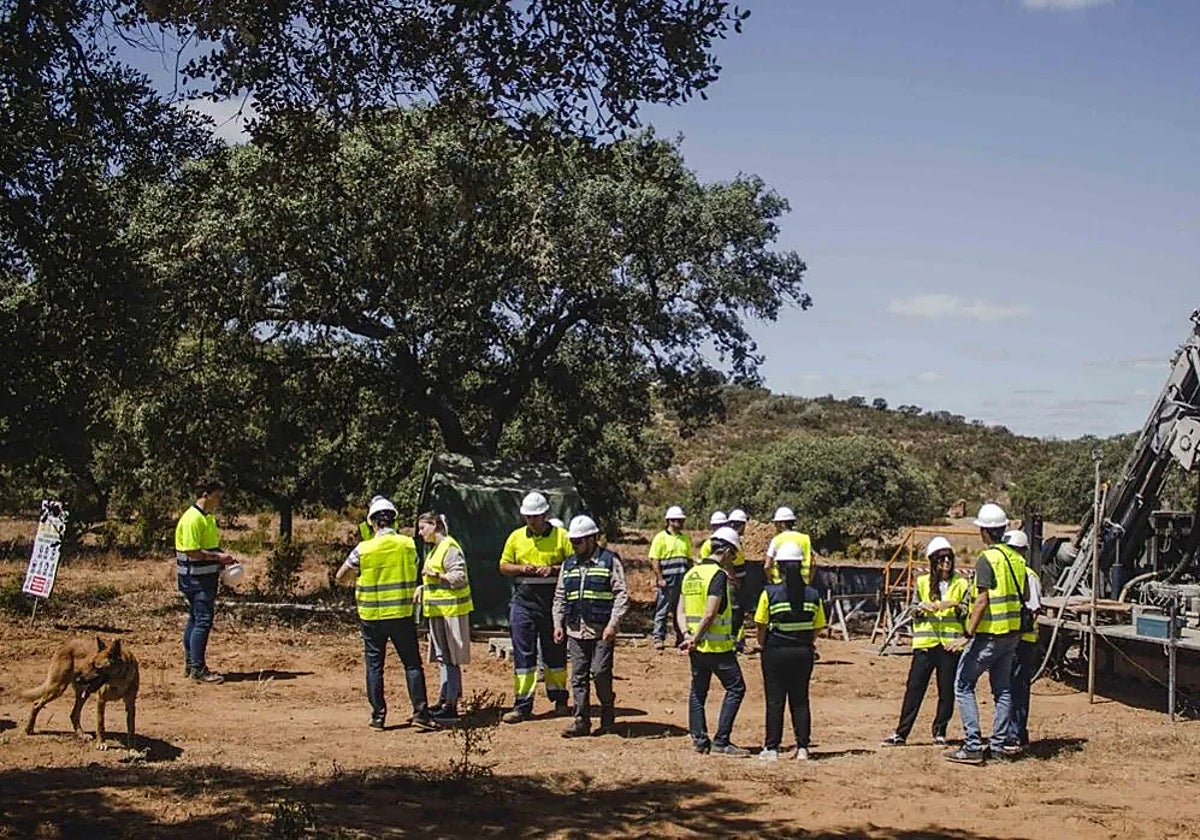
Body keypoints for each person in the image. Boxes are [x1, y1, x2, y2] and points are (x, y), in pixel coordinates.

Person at [336, 497, 437, 731]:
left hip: (371, 617)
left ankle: (378, 717)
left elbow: (341, 576)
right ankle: (421, 713)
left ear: (372, 522)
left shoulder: (364, 548)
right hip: (401, 614)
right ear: (395, 520)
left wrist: (358, 577)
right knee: (412, 664)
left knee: (374, 666)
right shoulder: (409, 545)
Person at [946, 503, 1027, 765]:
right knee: (1003, 690)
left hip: (989, 635)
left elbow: (982, 601)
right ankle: (999, 745)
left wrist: (968, 633)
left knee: (963, 685)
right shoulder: (1016, 559)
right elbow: (1023, 595)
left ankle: (972, 746)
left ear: (983, 531)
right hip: (1012, 635)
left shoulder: (987, 559)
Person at [881, 536, 969, 747]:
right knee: (914, 688)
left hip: (949, 644)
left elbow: (967, 610)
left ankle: (940, 731)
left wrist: (955, 605)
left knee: (946, 690)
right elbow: (912, 610)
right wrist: (921, 608)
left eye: (949, 558)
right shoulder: (922, 582)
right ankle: (901, 733)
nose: (946, 562)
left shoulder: (962, 583)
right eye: (941, 559)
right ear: (933, 561)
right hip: (925, 644)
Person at [498, 491, 572, 723]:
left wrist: (554, 569)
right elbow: (503, 565)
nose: (530, 520)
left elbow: (574, 564)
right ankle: (522, 705)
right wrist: (521, 569)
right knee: (524, 654)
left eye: (535, 516)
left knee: (555, 652)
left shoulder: (562, 536)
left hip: (553, 603)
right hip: (523, 602)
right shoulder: (516, 537)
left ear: (545, 514)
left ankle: (559, 699)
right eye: (527, 516)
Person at [553, 515, 629, 737]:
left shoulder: (609, 561)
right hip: (575, 630)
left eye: (578, 541)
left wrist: (613, 625)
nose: (574, 546)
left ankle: (607, 708)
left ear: (592, 539)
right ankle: (581, 720)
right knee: (578, 676)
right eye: (572, 542)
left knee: (600, 672)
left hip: (601, 631)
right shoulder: (568, 564)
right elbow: (560, 596)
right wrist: (558, 623)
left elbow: (621, 595)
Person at [678, 526, 749, 757]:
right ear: (726, 551)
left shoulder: (691, 574)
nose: (733, 559)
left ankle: (699, 739)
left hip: (695, 647)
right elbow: (710, 613)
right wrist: (697, 637)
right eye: (733, 554)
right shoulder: (717, 576)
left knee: (698, 692)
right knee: (736, 688)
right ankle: (721, 740)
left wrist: (687, 637)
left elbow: (679, 609)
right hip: (717, 648)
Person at [755, 542, 826, 761]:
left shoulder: (770, 593)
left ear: (779, 567)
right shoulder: (813, 594)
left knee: (775, 700)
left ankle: (772, 748)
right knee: (800, 699)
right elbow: (818, 626)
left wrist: (763, 644)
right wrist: (805, 641)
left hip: (775, 651)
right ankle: (803, 747)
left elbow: (760, 624)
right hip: (803, 652)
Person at [175, 477, 239, 684]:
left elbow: (209, 547)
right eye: (218, 496)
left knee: (195, 619)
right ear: (206, 494)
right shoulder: (194, 518)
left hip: (203, 577)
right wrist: (219, 558)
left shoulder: (207, 517)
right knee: (202, 620)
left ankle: (191, 663)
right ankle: (198, 669)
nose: (220, 501)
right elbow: (193, 552)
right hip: (195, 578)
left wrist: (223, 557)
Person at [416, 512, 473, 723]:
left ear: (435, 525)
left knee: (450, 659)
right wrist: (423, 587)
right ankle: (445, 699)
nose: (420, 533)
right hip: (438, 611)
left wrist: (437, 576)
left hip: (451, 612)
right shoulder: (435, 550)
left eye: (423, 528)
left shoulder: (449, 547)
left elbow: (459, 576)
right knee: (443, 658)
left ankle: (451, 704)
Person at [1003, 528, 1042, 753]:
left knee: (1017, 689)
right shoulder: (1013, 575)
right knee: (1008, 688)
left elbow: (1034, 610)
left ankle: (1016, 734)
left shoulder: (1028, 576)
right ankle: (1013, 732)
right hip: (1010, 640)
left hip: (1023, 642)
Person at [649, 506, 692, 651]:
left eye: (682, 520)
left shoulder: (684, 539)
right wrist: (660, 578)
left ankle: (680, 637)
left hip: (683, 580)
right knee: (663, 609)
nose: (681, 523)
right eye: (677, 520)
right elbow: (655, 559)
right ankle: (658, 637)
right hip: (668, 580)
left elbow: (688, 560)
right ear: (670, 521)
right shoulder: (660, 538)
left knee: (680, 610)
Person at [766, 506, 814, 583]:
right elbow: (813, 564)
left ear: (781, 524)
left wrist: (770, 580)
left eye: (776, 523)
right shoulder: (805, 539)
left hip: (780, 583)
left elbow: (767, 566)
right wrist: (810, 580)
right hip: (802, 584)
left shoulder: (776, 540)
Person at [726, 509, 751, 652]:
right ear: (740, 524)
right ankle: (732, 642)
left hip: (739, 578)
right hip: (733, 580)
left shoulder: (735, 537)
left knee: (739, 611)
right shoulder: (731, 538)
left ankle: (738, 641)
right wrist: (733, 577)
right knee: (734, 611)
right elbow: (728, 560)